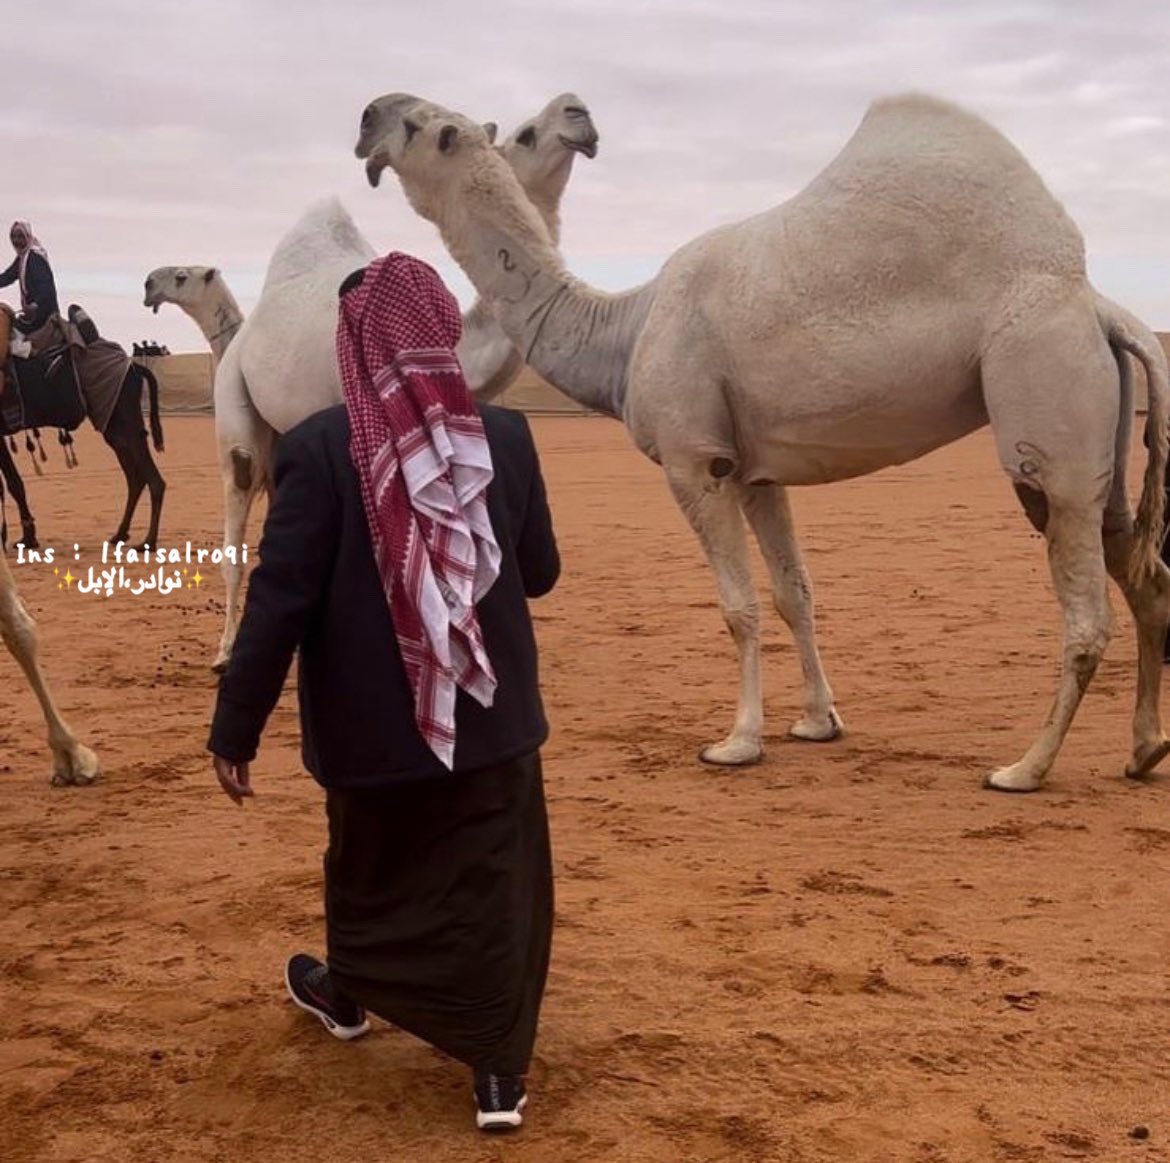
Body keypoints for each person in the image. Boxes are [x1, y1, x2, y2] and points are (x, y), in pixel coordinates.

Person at [206, 252, 560, 1134]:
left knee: (368, 875)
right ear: (440, 328)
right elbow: (542, 573)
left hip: (371, 732)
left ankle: (351, 994)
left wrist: (235, 725)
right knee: (493, 888)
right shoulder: (506, 438)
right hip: (490, 723)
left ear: (355, 340)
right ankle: (496, 1075)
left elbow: (279, 597)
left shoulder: (322, 448)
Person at [0, 221, 60, 346]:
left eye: (20, 236)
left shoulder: (34, 258)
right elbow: (7, 276)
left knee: (11, 335)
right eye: (14, 237)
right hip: (32, 312)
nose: (17, 240)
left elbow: (46, 287)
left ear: (28, 237)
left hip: (42, 314)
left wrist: (34, 305)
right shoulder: (23, 258)